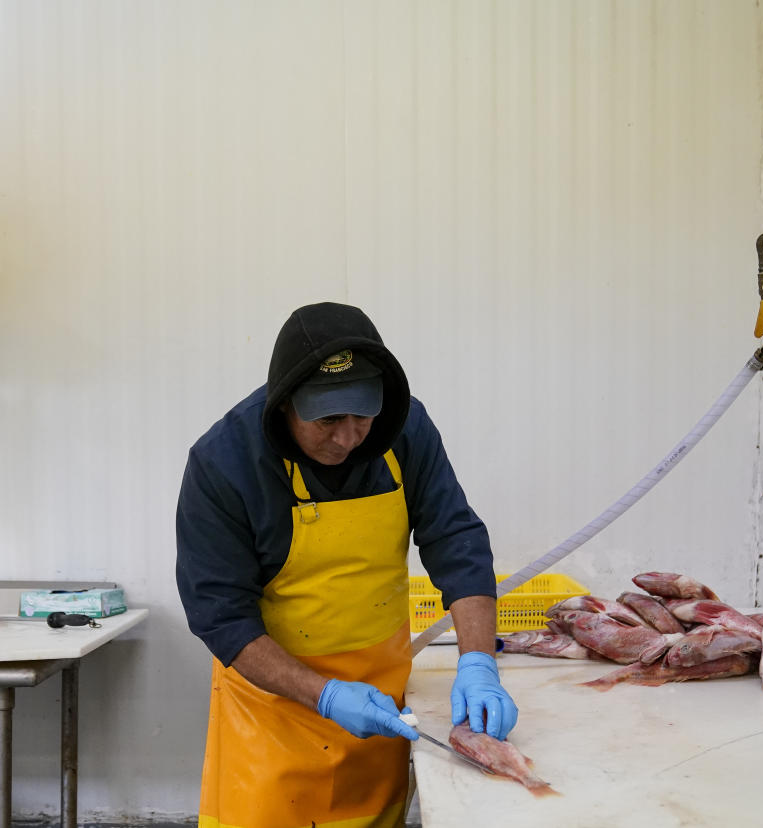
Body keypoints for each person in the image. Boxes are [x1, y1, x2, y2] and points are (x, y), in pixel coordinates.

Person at [176, 301, 518, 828]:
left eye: (363, 415)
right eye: (328, 419)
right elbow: (220, 617)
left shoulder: (405, 431)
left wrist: (479, 664)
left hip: (381, 711)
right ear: (285, 405)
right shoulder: (224, 463)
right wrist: (326, 695)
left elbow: (456, 540)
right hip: (273, 717)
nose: (348, 436)